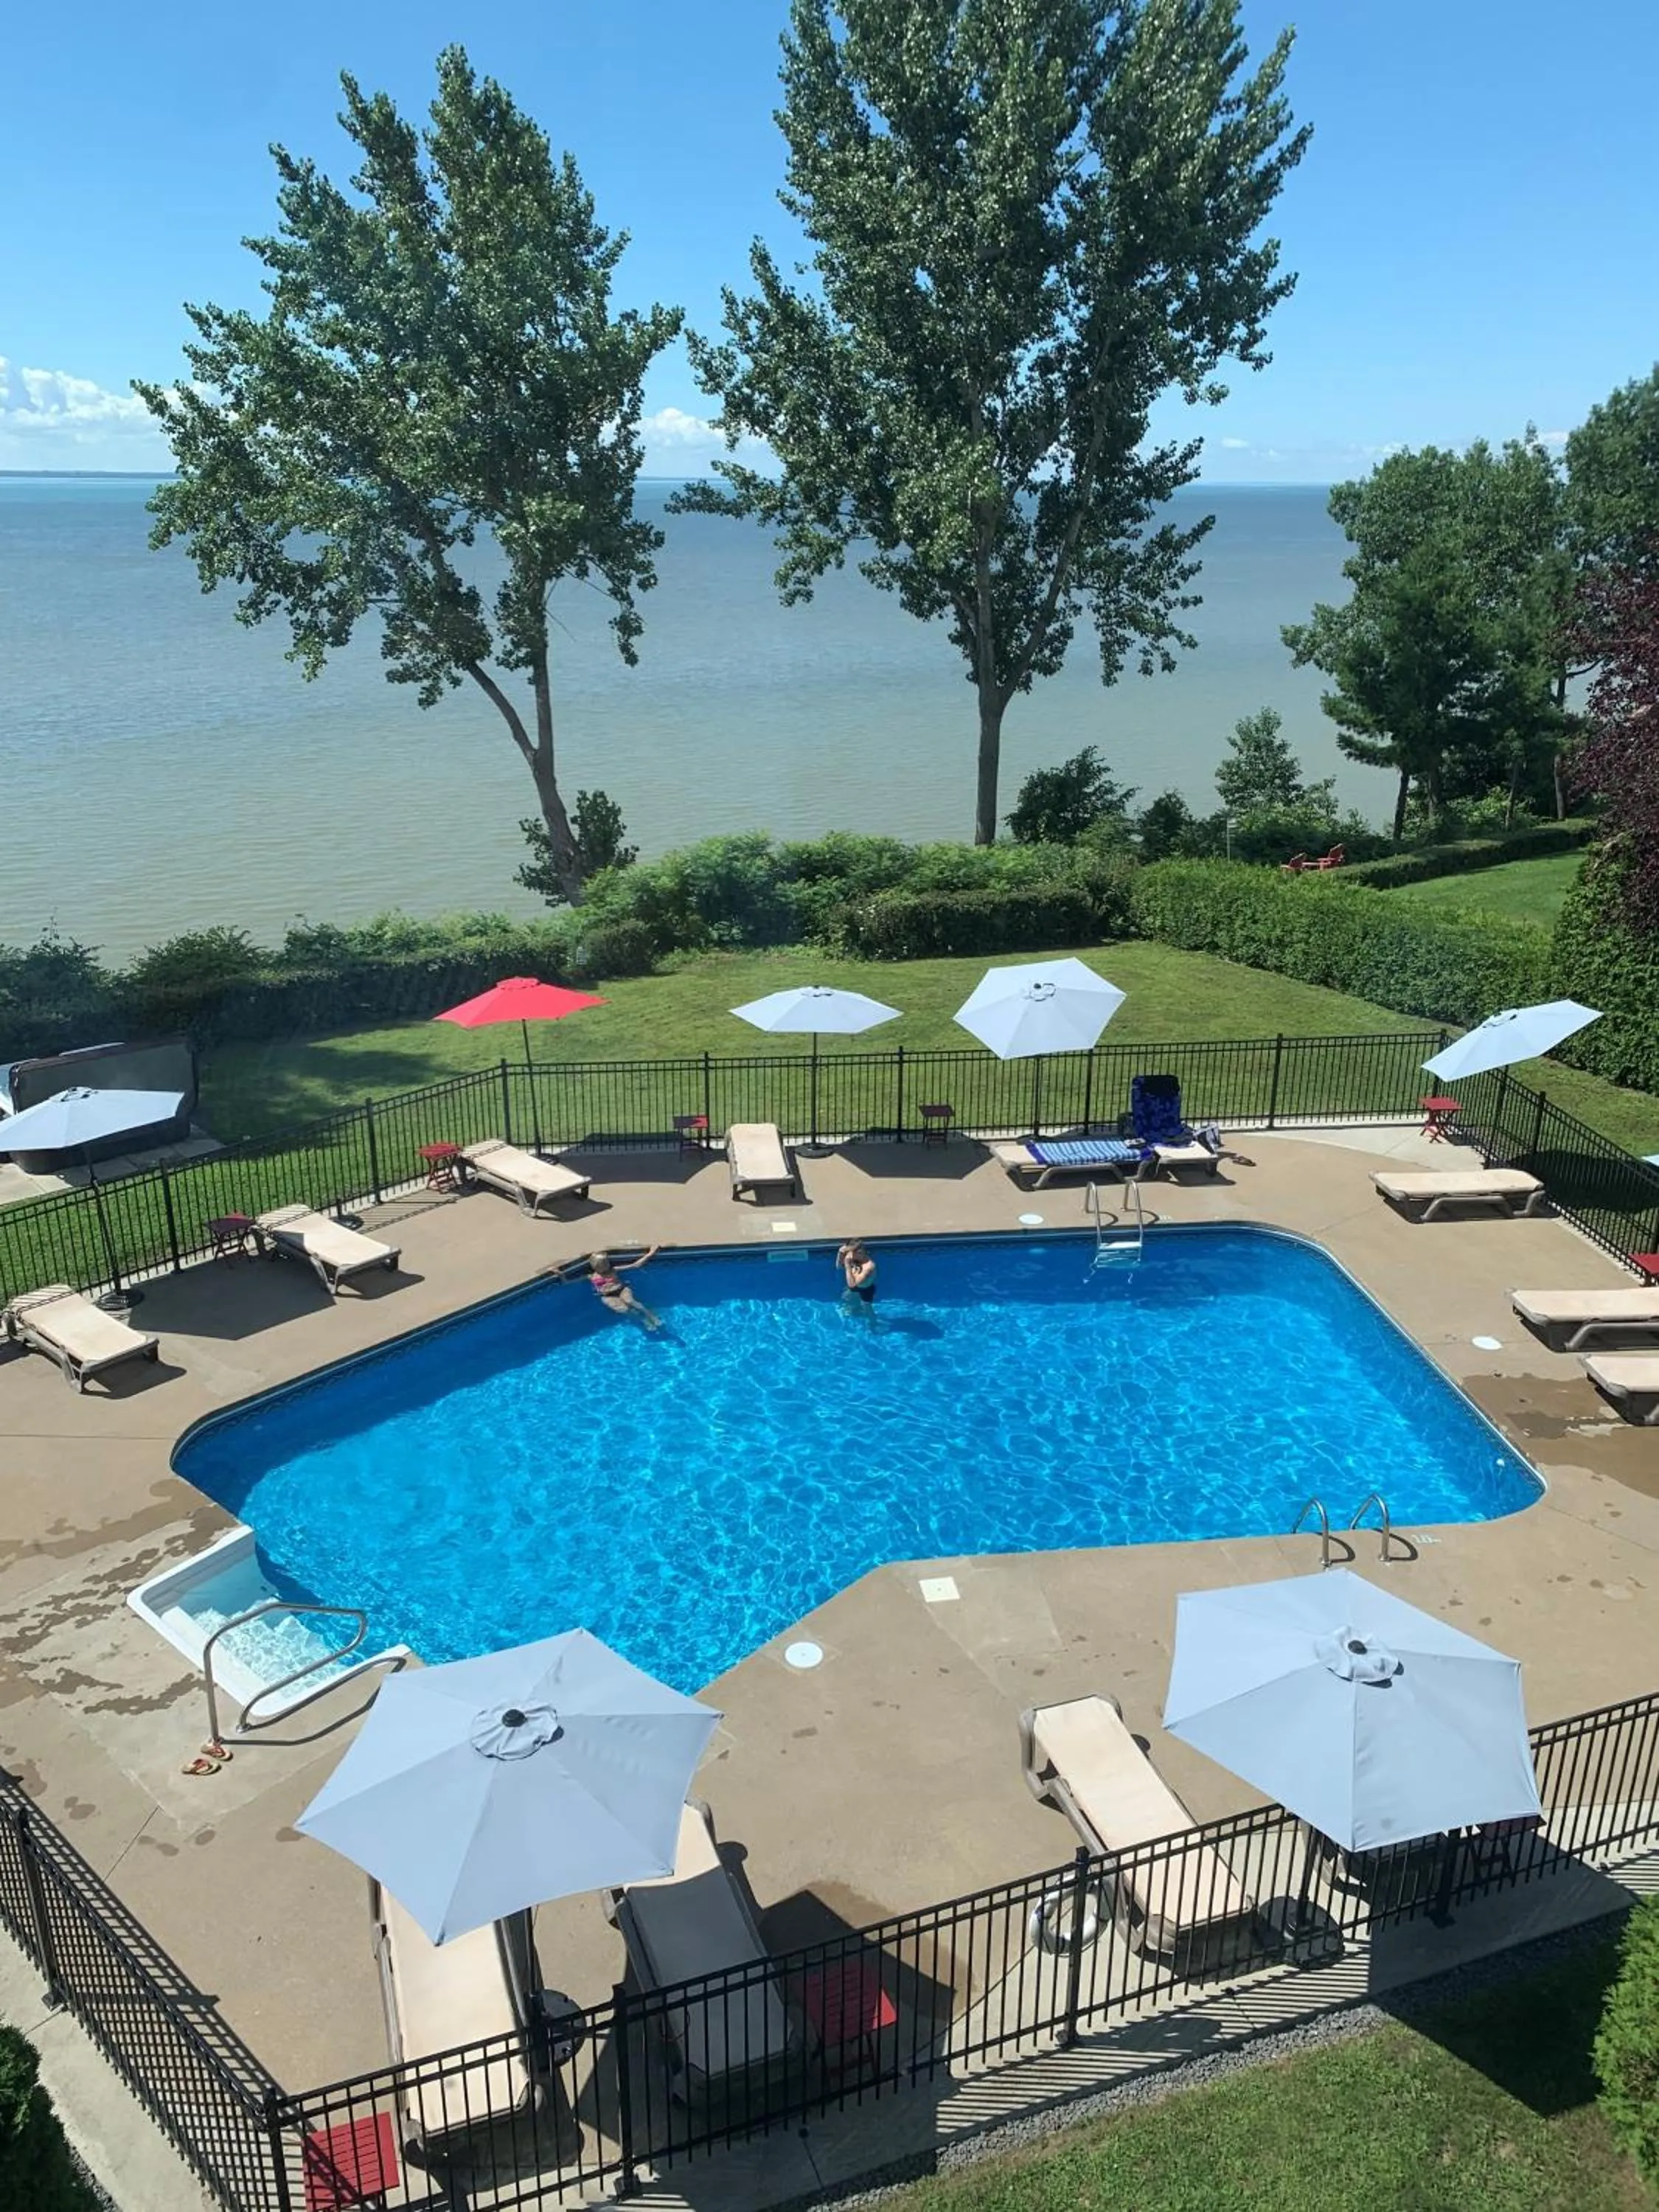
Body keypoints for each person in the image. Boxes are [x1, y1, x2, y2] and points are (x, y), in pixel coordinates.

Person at [586, 1245, 662, 1329]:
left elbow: (635, 1265)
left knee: (630, 1301)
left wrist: (651, 1253)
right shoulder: (591, 1276)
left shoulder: (613, 1270)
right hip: (607, 1296)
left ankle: (651, 1316)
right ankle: (643, 1320)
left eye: (606, 1263)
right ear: (594, 1266)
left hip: (621, 1290)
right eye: (601, 1265)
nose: (605, 1266)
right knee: (624, 1310)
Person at [837, 1239, 877, 1308]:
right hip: (854, 1288)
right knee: (845, 1301)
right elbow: (839, 1267)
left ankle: (872, 1319)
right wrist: (840, 1254)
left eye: (852, 1252)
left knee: (867, 1309)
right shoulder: (855, 1257)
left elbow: (852, 1285)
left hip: (866, 1290)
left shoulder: (868, 1267)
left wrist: (847, 1265)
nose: (850, 1255)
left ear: (860, 1252)